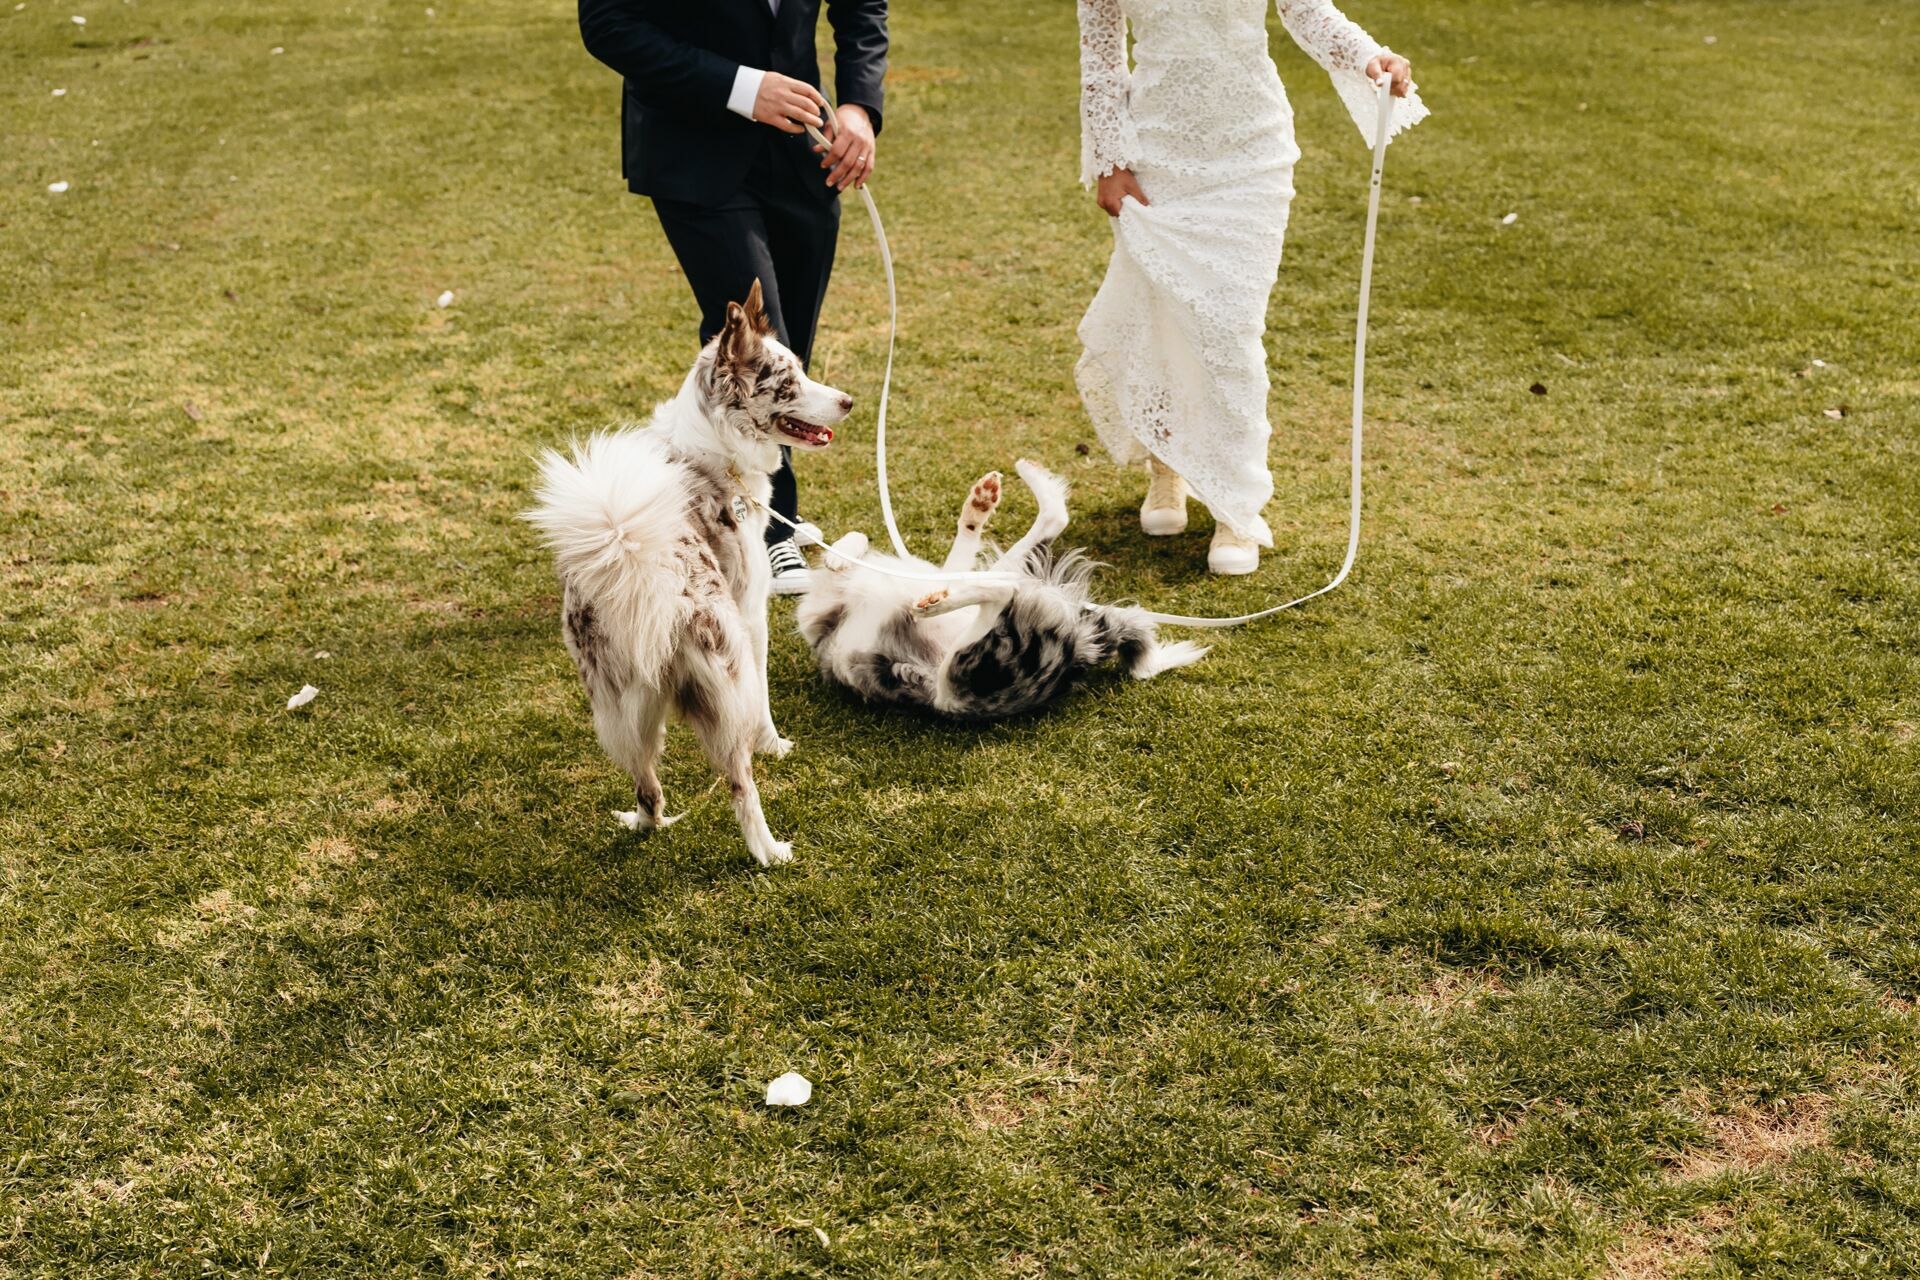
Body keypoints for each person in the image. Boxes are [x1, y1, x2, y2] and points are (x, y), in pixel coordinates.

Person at [1075, 0, 1426, 575]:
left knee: (1232, 328)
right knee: (1161, 315)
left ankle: (1236, 506)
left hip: (1251, 151)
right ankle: (1167, 470)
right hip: (1157, 155)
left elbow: (1307, 11)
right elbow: (1102, 62)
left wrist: (1368, 55)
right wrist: (1110, 160)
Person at [579, 0, 888, 593]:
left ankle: (732, 516)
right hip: (693, 151)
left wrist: (858, 105)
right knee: (752, 348)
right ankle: (766, 533)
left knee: (788, 353)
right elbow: (608, 23)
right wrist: (740, 88)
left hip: (806, 156)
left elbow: (861, 6)